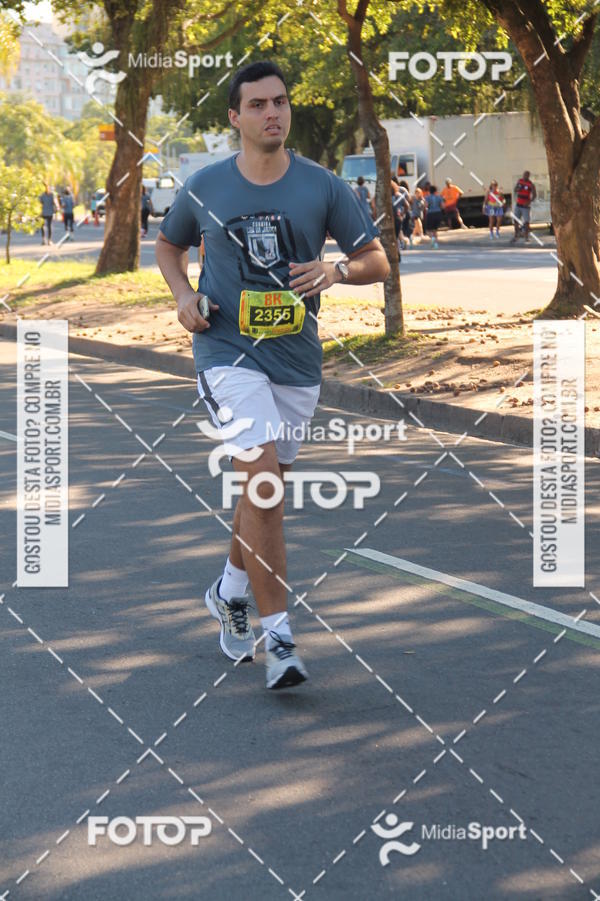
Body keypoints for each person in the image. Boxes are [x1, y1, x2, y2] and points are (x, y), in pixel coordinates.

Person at [155, 61, 389, 690]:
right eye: (257, 105)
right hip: (225, 352)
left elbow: (378, 260)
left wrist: (338, 272)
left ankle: (229, 590)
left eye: (280, 102)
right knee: (263, 486)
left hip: (296, 361)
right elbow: (167, 246)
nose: (272, 114)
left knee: (267, 492)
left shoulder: (322, 187)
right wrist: (183, 298)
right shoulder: (206, 185)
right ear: (234, 118)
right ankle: (279, 636)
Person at [510, 170, 536, 243]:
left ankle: (526, 237)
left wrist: (529, 201)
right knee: (516, 220)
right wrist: (518, 188)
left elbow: (534, 195)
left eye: (526, 175)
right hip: (518, 204)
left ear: (528, 176)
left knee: (526, 222)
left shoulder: (530, 184)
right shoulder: (520, 181)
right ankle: (516, 236)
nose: (524, 176)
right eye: (524, 175)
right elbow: (515, 190)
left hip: (525, 206)